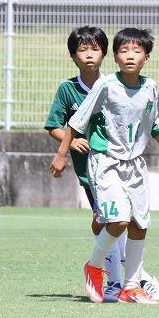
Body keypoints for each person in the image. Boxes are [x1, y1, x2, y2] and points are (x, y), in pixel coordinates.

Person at [51, 28, 159, 304]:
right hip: (105, 162)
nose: (130, 56)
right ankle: (95, 265)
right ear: (115, 57)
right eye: (124, 51)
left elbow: (156, 124)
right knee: (118, 220)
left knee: (139, 225)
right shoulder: (106, 85)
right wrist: (61, 155)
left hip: (135, 164)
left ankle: (131, 286)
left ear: (147, 58)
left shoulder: (150, 88)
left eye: (137, 51)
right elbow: (75, 123)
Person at [46, 27, 126, 302]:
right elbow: (55, 126)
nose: (89, 54)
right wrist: (69, 144)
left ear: (104, 53)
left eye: (94, 49)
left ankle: (121, 275)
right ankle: (117, 279)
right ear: (73, 56)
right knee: (107, 219)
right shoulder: (68, 90)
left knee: (112, 219)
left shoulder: (114, 85)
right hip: (89, 171)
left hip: (118, 164)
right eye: (82, 50)